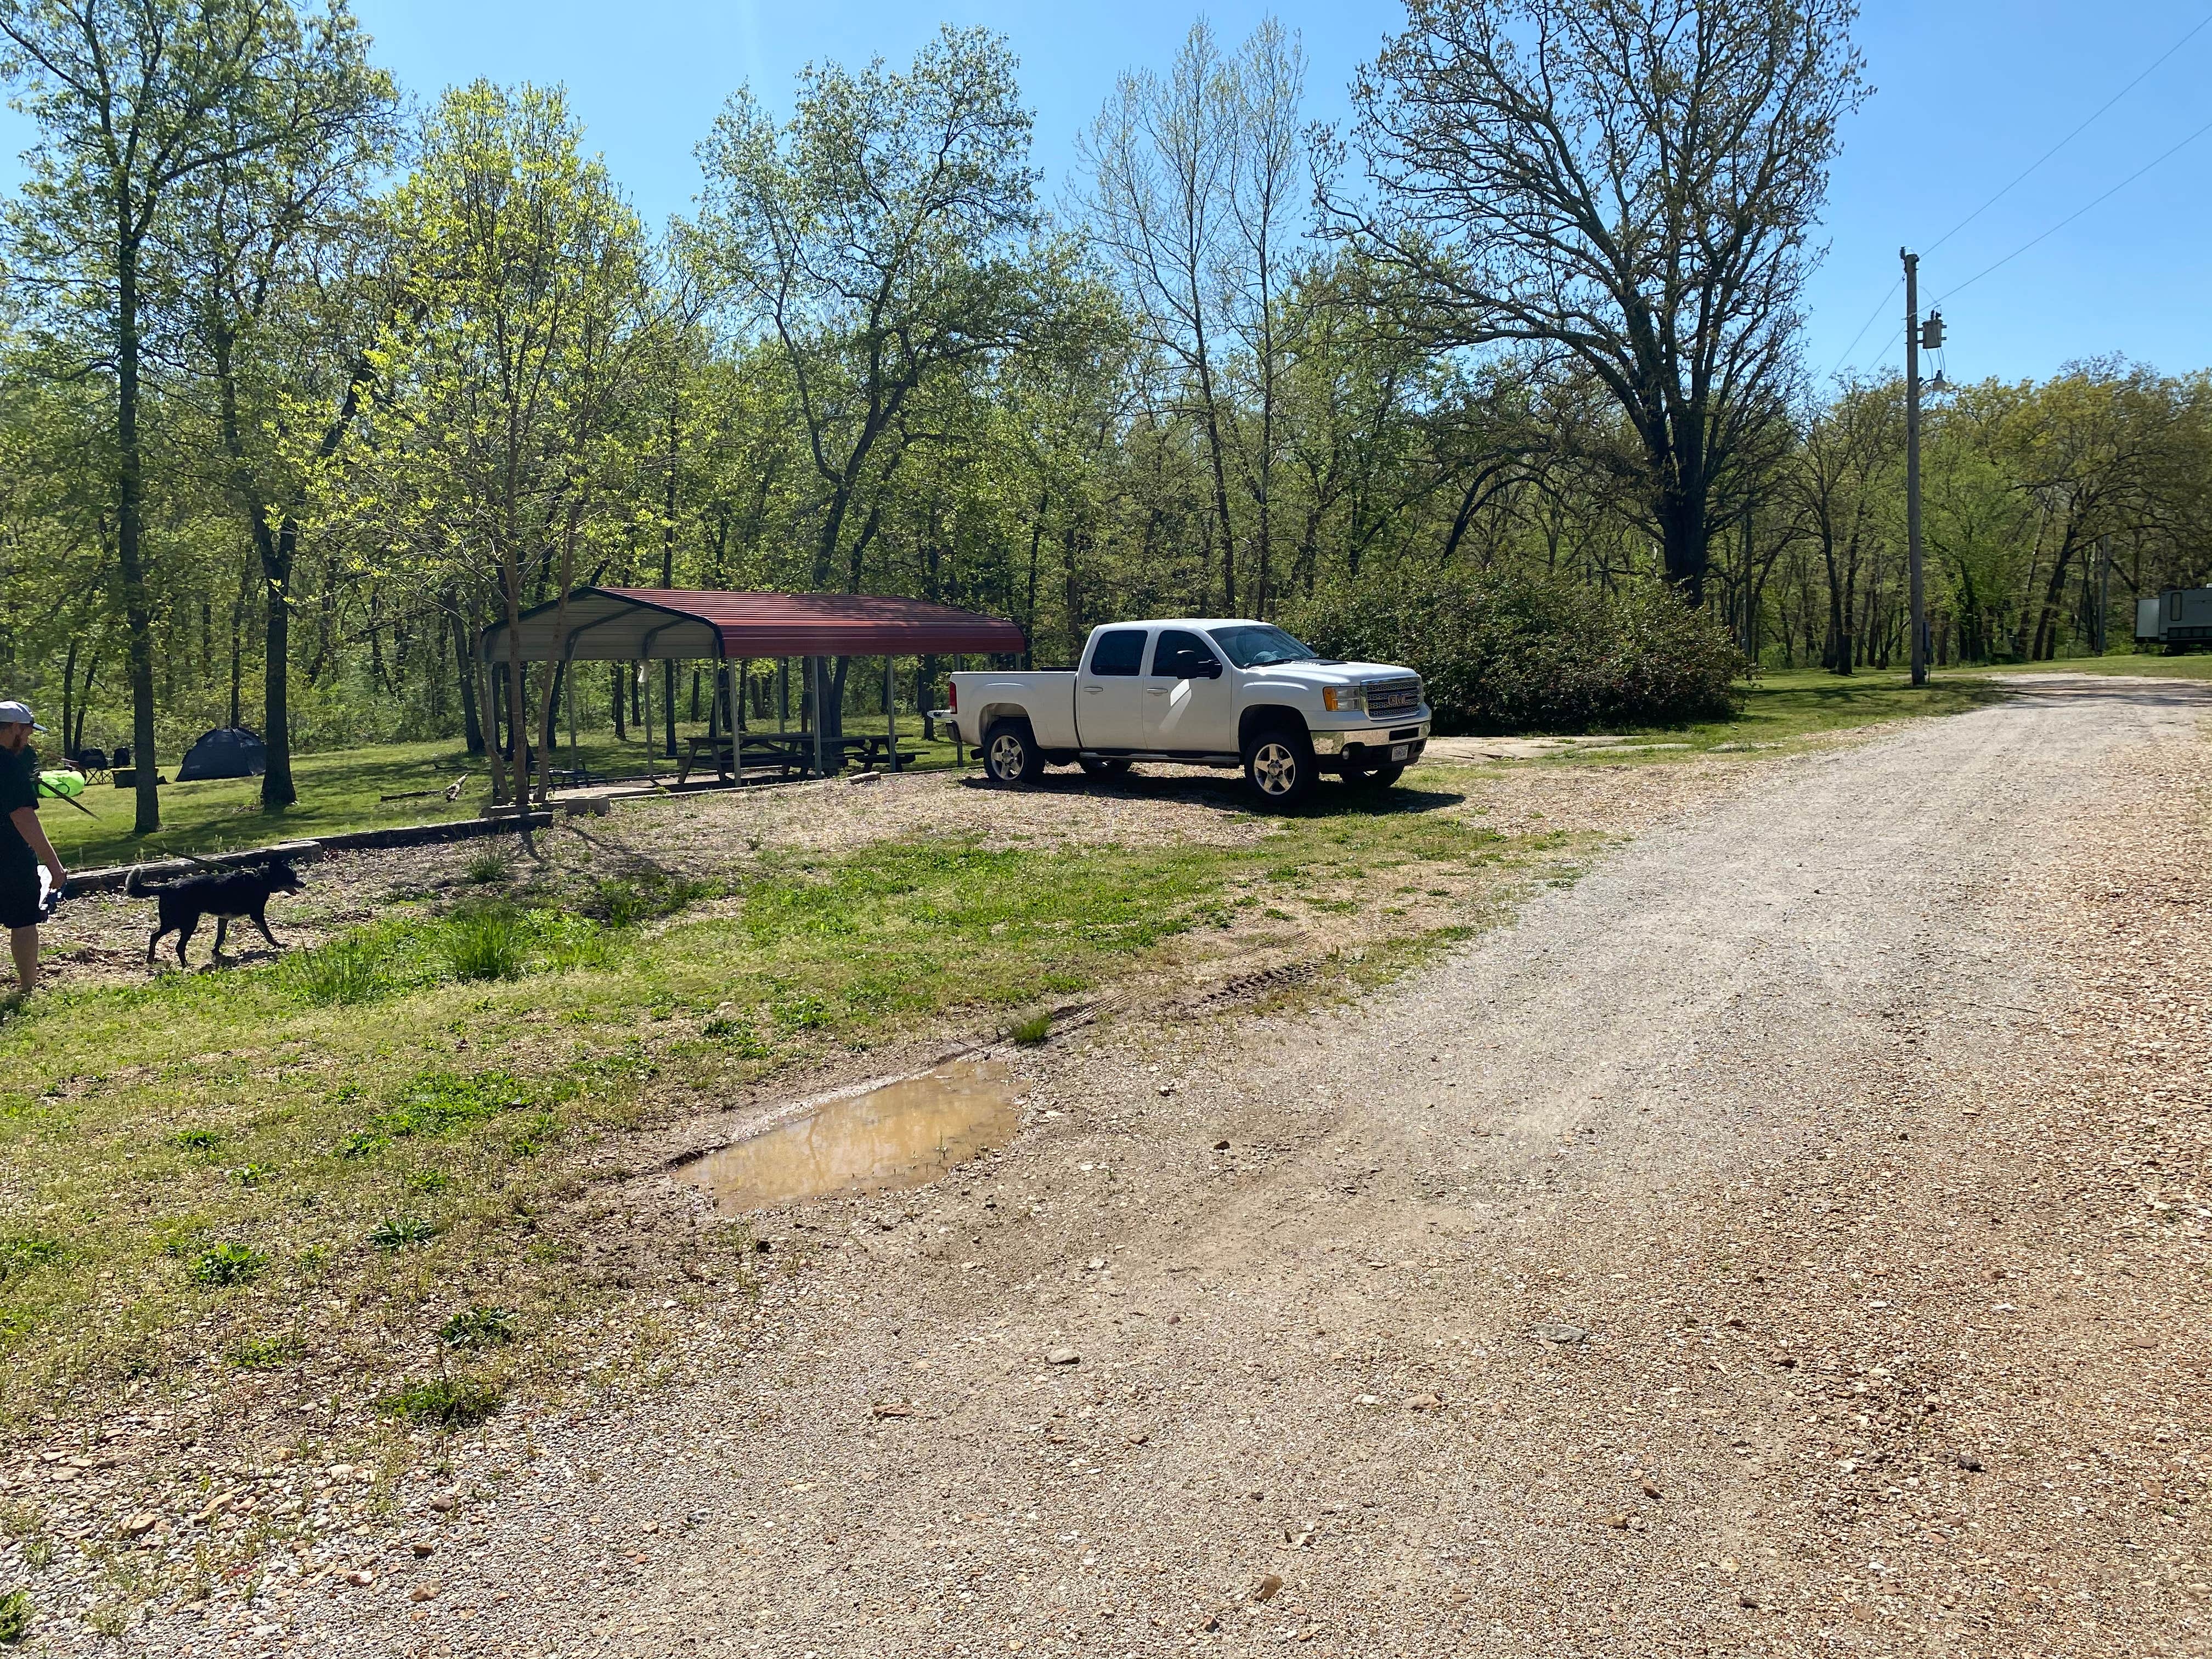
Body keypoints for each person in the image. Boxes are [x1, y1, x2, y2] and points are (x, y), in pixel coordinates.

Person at [0, 701, 65, 997]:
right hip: (9, 857)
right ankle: (27, 987)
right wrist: (53, 864)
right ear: (14, 728)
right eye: (26, 732)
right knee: (24, 921)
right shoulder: (8, 765)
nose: (27, 740)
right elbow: (23, 816)